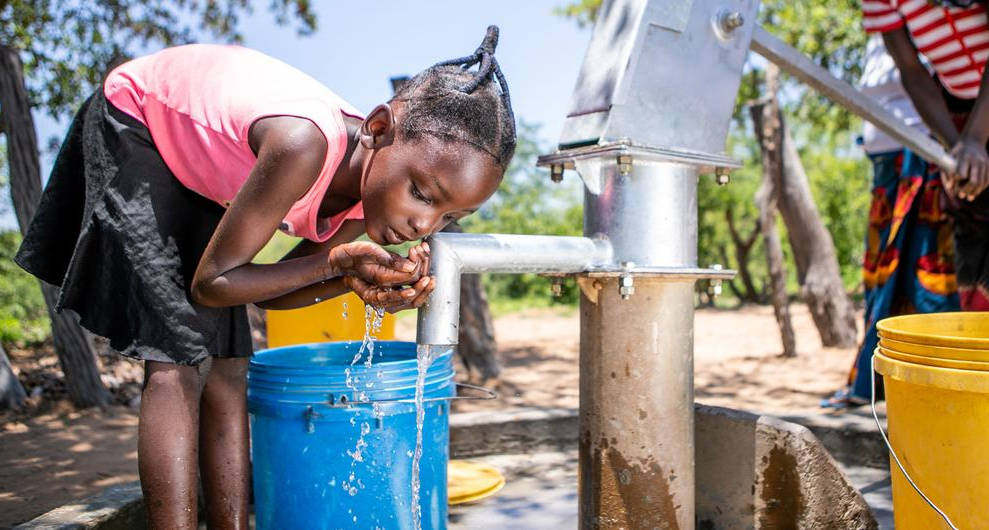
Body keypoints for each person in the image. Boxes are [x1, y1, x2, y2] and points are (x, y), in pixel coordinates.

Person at [14, 26, 516, 528]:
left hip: (203, 170)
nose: (424, 226)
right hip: (139, 118)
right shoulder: (303, 143)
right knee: (174, 362)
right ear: (378, 129)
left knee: (231, 365)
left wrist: (353, 280)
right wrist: (335, 263)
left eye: (450, 217)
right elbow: (213, 284)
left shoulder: (369, 202)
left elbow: (269, 294)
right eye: (424, 195)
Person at [822, 35, 960, 410]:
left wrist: (951, 146)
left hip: (923, 156)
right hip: (886, 160)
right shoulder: (882, 25)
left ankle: (943, 384)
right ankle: (878, 383)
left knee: (925, 275)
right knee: (881, 276)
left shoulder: (927, 17)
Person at [863, 0, 989, 310]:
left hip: (979, 116)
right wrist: (955, 146)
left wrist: (975, 138)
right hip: (956, 113)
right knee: (972, 232)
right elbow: (912, 71)